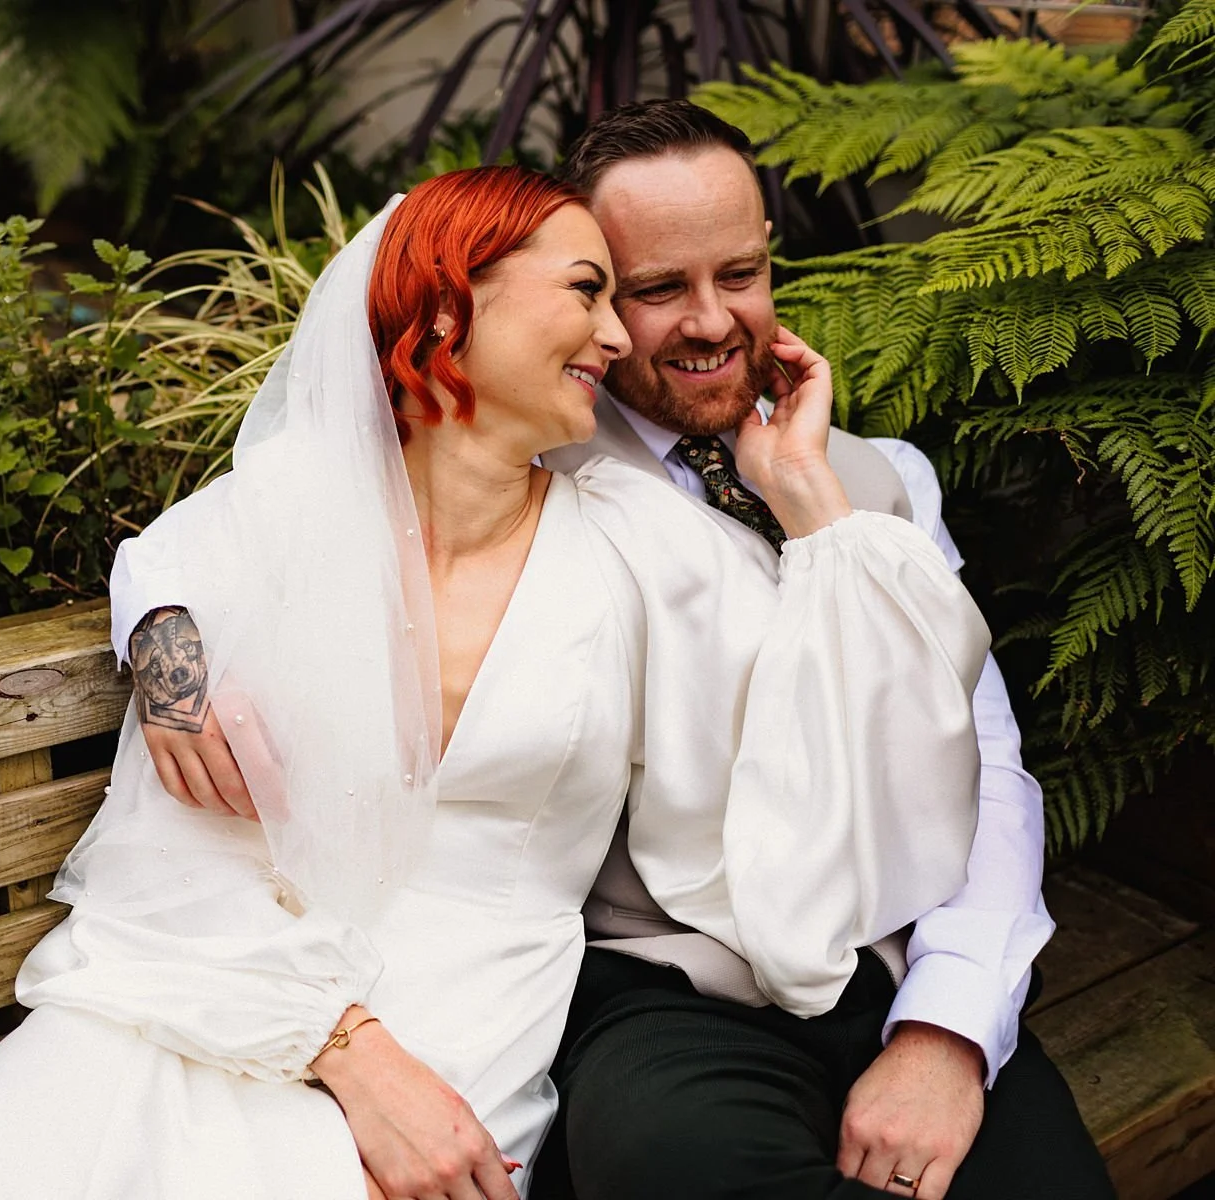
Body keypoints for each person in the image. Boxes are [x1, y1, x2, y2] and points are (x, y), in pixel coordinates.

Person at [0, 165, 990, 1200]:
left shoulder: (642, 545)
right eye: (587, 291)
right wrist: (348, 1050)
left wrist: (804, 490)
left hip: (469, 1021)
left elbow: (869, 721)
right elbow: (165, 838)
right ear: (453, 305)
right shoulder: (276, 520)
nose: (616, 336)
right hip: (206, 987)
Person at [116, 104, 1113, 1200]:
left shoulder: (879, 482)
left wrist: (949, 1026)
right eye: (645, 289)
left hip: (897, 969)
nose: (710, 321)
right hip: (656, 986)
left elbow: (979, 765)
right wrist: (164, 637)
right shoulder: (529, 464)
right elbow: (218, 537)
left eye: (742, 274)